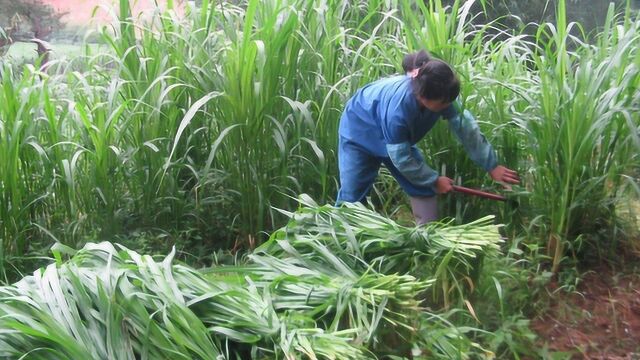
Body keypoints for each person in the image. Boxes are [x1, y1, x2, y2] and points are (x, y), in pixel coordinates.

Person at [336, 50, 520, 224]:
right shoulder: (398, 113)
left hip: (393, 136)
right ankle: (342, 241)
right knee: (352, 197)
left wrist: (491, 165)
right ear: (423, 97)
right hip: (358, 131)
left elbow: (466, 128)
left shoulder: (441, 93)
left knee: (421, 185)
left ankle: (426, 240)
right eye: (443, 104)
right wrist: (434, 180)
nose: (447, 106)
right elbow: (402, 158)